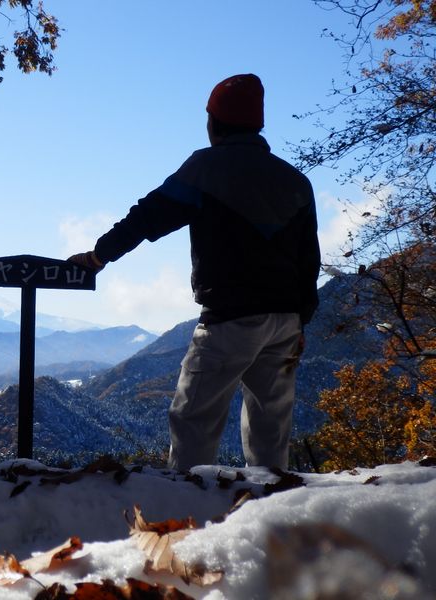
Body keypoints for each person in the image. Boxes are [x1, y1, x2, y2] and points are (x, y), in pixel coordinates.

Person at [69, 74, 321, 471]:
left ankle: (187, 514)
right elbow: (310, 260)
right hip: (286, 320)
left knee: (194, 420)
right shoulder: (296, 181)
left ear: (214, 123)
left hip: (230, 318)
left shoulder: (206, 168)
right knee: (270, 426)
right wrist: (301, 319)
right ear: (257, 124)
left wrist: (99, 256)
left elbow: (147, 218)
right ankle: (269, 510)